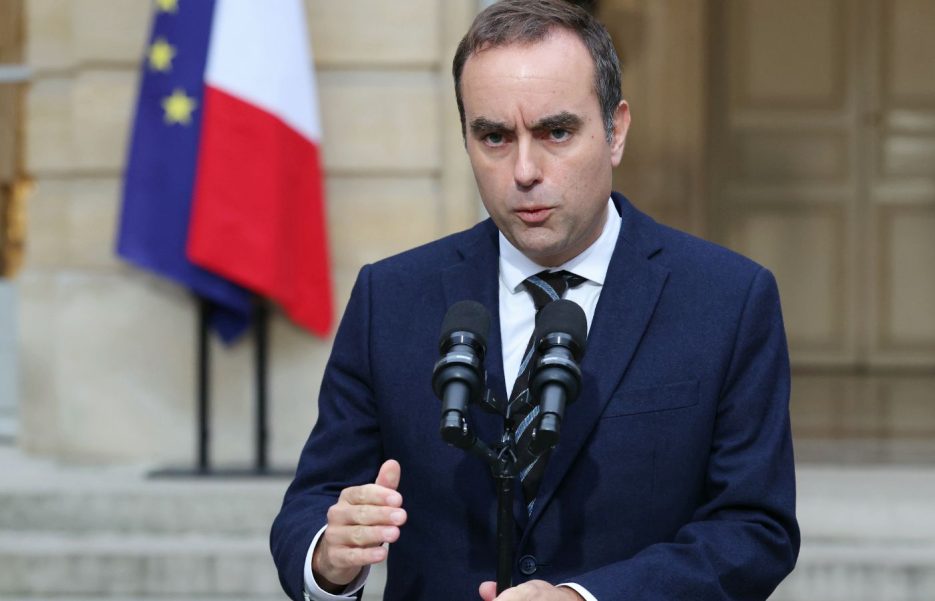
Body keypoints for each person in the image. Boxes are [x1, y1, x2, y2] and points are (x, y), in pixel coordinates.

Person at [270, 1, 800, 599]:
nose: (524, 170)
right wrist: (328, 557)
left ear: (616, 130)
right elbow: (312, 504)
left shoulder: (726, 299)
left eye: (556, 132)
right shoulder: (390, 297)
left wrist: (585, 598)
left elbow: (755, 529)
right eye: (494, 136)